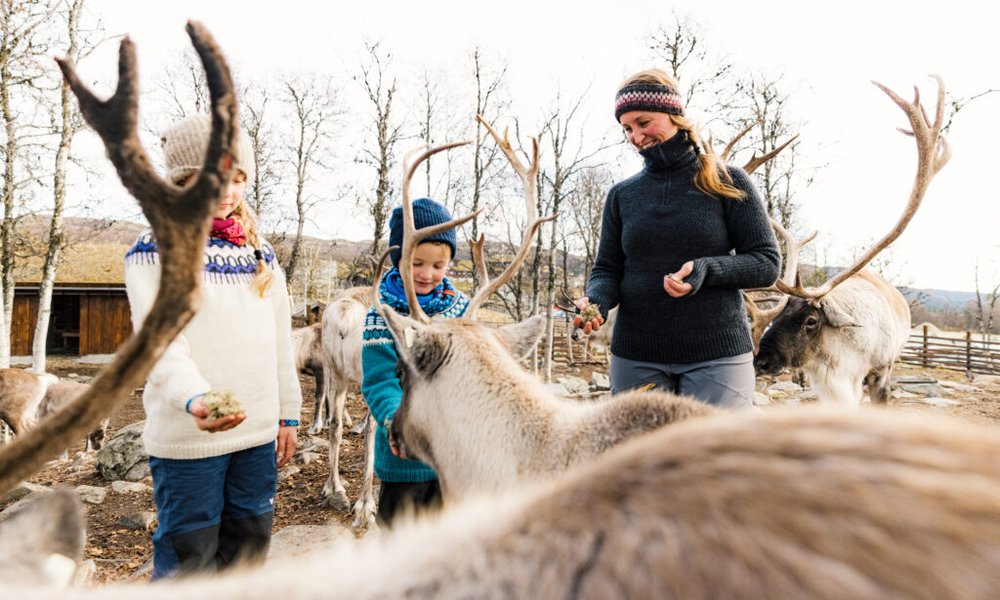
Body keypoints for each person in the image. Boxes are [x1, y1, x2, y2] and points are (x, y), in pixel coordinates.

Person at [124, 114, 302, 580]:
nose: (229, 191)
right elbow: (159, 343)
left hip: (258, 435)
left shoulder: (259, 251)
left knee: (247, 554)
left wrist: (287, 413)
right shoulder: (156, 249)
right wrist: (196, 398)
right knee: (190, 561)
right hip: (189, 437)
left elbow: (279, 338)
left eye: (239, 178)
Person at [574, 68, 780, 410]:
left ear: (674, 116)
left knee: (713, 460)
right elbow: (607, 269)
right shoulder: (622, 196)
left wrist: (705, 270)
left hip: (717, 356)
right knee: (641, 461)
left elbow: (766, 263)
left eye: (643, 122)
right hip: (637, 357)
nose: (635, 136)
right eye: (626, 128)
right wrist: (596, 301)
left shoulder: (727, 181)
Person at [361, 197, 470, 528]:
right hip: (404, 457)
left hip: (453, 454)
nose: (427, 274)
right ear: (398, 259)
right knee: (400, 543)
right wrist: (399, 422)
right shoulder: (383, 314)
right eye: (416, 263)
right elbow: (379, 380)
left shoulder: (461, 310)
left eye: (438, 266)